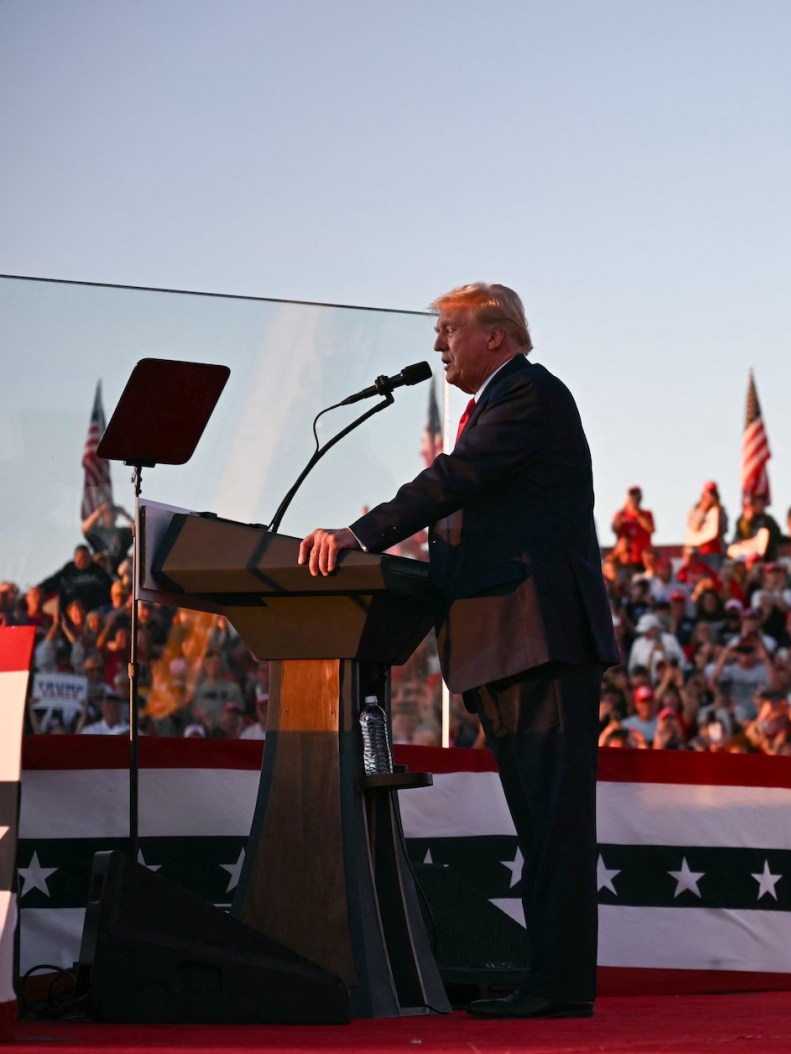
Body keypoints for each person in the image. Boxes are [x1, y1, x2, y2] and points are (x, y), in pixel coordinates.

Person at [299, 282, 618, 1019]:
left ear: (496, 336)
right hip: (506, 640)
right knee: (539, 823)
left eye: (449, 330)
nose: (438, 344)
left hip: (537, 638)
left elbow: (456, 479)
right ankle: (550, 979)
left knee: (553, 822)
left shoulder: (528, 397)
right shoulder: (498, 402)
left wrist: (361, 534)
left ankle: (559, 987)